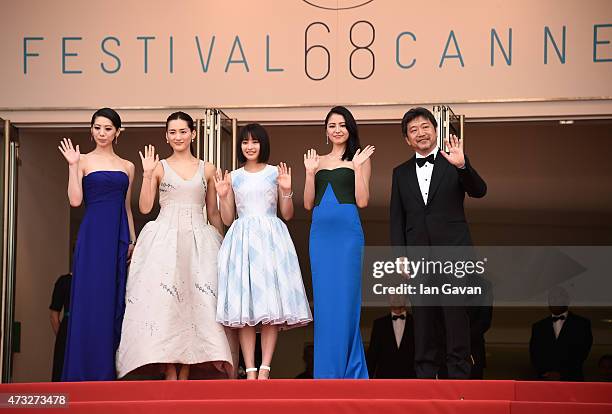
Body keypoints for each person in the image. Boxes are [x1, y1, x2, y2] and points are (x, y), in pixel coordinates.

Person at [116, 111, 237, 380]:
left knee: (197, 301)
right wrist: (147, 175)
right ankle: (169, 366)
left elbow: (214, 213)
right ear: (166, 136)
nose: (178, 136)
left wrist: (223, 248)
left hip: (198, 239)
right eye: (173, 132)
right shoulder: (159, 167)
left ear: (193, 134)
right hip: (164, 237)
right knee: (164, 302)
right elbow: (145, 207)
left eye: (183, 131)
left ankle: (186, 367)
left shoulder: (207, 168)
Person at [390, 106, 487, 379]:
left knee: (455, 316)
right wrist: (400, 255)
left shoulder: (453, 161)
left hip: (453, 254)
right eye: (413, 130)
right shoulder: (400, 173)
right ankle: (425, 375)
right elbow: (396, 217)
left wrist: (463, 165)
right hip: (418, 258)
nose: (420, 133)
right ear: (407, 140)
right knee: (423, 318)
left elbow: (480, 191)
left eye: (425, 127)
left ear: (435, 131)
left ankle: (459, 375)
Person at [215, 123, 312, 380]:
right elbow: (226, 219)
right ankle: (249, 369)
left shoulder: (274, 173)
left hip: (270, 237)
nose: (250, 146)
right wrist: (224, 195)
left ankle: (265, 368)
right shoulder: (233, 176)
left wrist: (286, 190)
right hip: (242, 238)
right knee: (244, 308)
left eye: (254, 142)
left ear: (263, 144)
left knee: (271, 304)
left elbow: (288, 214)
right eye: (245, 142)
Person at [58, 107, 136, 381]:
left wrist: (132, 240)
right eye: (97, 127)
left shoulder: (128, 166)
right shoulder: (82, 161)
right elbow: (75, 200)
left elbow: (127, 207)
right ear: (91, 130)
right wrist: (71, 165)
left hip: (118, 237)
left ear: (118, 132)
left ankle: (106, 372)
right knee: (89, 300)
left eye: (108, 128)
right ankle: (81, 373)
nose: (102, 133)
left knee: (113, 302)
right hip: (92, 238)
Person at [304, 106, 375, 379]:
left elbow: (363, 200)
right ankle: (326, 372)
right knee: (323, 303)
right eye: (332, 125)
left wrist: (357, 168)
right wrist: (310, 173)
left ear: (350, 129)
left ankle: (351, 370)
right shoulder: (316, 161)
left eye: (342, 125)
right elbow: (308, 203)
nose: (337, 129)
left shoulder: (359, 159)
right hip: (320, 236)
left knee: (346, 300)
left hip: (347, 235)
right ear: (326, 130)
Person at [529, 286, 593, 381]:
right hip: (545, 380)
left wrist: (562, 374)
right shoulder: (539, 326)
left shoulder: (581, 324)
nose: (554, 301)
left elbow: (582, 352)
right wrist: (546, 372)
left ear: (567, 300)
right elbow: (535, 353)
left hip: (572, 379)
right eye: (551, 299)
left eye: (557, 298)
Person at [366, 297, 416, 379]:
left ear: (406, 299)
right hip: (384, 381)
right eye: (393, 294)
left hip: (411, 381)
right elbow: (372, 355)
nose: (396, 296)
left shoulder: (416, 323)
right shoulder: (379, 324)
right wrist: (367, 383)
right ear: (388, 299)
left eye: (400, 293)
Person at [49, 273, 72, 381]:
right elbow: (54, 315)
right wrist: (62, 337)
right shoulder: (64, 281)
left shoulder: (92, 281)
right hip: (66, 331)